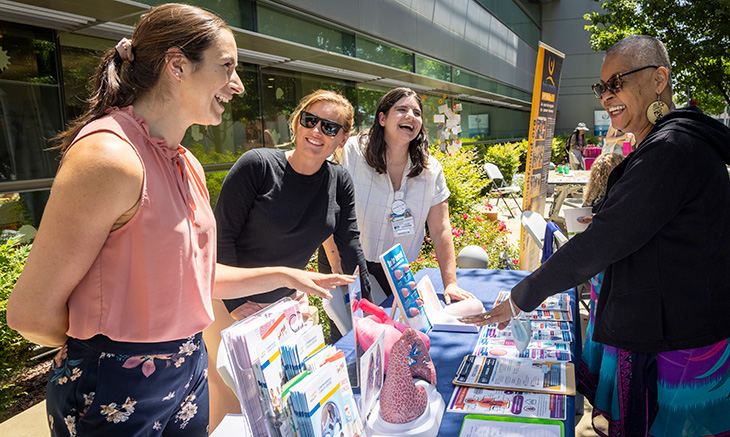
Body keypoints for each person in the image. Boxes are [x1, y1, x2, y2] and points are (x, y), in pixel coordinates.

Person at [6, 5, 353, 435]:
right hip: (115, 390)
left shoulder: (184, 161)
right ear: (176, 66)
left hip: (186, 378)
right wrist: (108, 356)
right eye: (227, 67)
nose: (238, 85)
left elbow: (195, 280)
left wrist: (288, 276)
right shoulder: (109, 156)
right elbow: (30, 314)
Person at [461, 35, 730, 436]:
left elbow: (605, 240)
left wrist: (521, 299)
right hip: (670, 327)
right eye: (602, 87)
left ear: (659, 79)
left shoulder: (672, 147)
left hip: (682, 343)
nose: (607, 95)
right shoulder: (660, 142)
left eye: (617, 82)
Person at [208, 89, 370, 424]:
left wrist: (366, 309)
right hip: (226, 304)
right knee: (235, 408)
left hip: (280, 309)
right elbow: (219, 238)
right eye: (311, 121)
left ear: (343, 138)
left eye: (330, 127)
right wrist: (233, 303)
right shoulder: (258, 166)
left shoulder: (338, 180)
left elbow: (350, 243)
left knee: (279, 412)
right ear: (297, 122)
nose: (317, 132)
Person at [323, 87, 475, 305]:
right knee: (351, 333)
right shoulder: (351, 152)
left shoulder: (430, 169)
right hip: (342, 258)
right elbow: (325, 206)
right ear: (382, 118)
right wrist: (336, 262)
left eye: (417, 113)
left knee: (397, 328)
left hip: (394, 268)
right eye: (402, 109)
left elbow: (441, 228)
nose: (410, 116)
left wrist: (450, 283)